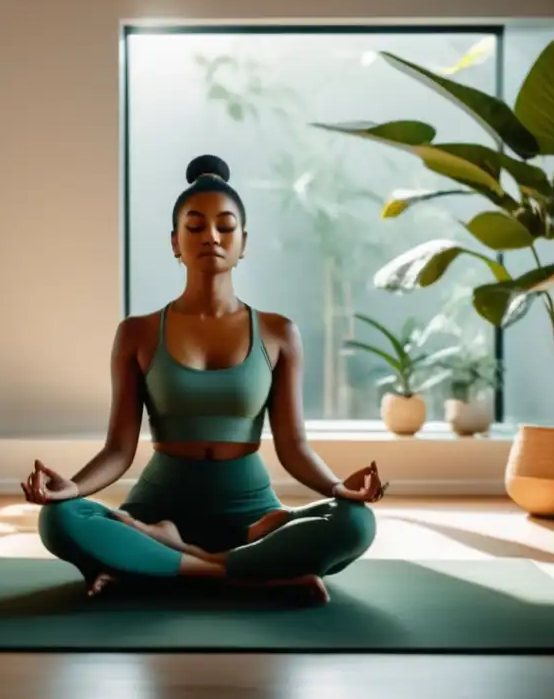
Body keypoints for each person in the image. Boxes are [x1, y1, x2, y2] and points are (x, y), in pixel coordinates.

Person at [21, 154, 384, 604]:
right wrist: (72, 489)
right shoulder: (136, 332)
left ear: (243, 242)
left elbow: (294, 446)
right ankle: (240, 572)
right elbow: (119, 449)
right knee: (57, 520)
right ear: (175, 242)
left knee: (356, 523)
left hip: (252, 513)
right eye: (194, 227)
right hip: (155, 507)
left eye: (225, 227)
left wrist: (337, 488)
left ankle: (162, 559)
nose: (211, 236)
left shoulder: (277, 333)